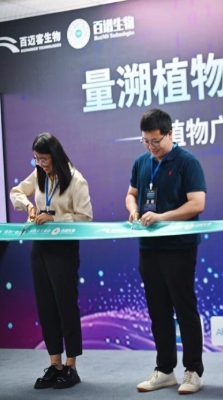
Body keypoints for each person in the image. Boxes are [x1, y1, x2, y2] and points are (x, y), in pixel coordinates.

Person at [125, 109, 207, 394]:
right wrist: (134, 210)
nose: (151, 146)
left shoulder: (187, 162)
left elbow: (197, 203)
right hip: (148, 248)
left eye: (156, 141)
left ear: (170, 134)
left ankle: (193, 371)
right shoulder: (141, 162)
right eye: (146, 141)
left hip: (179, 248)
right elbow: (131, 194)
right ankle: (164, 369)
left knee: (184, 309)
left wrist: (162, 217)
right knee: (158, 311)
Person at [10, 133, 93, 389]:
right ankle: (55, 364)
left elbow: (86, 218)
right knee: (45, 306)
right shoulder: (39, 174)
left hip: (64, 249)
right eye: (36, 159)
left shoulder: (76, 180)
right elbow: (16, 192)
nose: (41, 164)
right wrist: (29, 208)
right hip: (40, 247)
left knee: (65, 305)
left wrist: (55, 218)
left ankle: (71, 367)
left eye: (44, 159)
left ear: (55, 155)